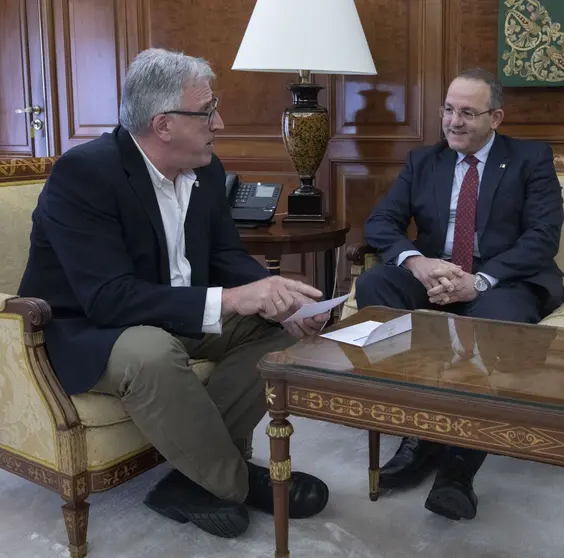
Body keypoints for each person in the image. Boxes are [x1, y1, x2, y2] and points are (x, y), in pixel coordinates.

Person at [18, 48, 331, 539]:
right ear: (163, 124)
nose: (220, 122)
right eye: (208, 111)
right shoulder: (85, 174)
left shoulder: (205, 168)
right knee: (153, 351)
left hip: (174, 315)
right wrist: (230, 300)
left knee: (282, 336)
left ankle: (190, 482)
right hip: (93, 330)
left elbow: (226, 256)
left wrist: (277, 299)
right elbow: (108, 299)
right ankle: (235, 481)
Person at [355, 67, 564, 521]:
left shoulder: (530, 159)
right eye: (449, 110)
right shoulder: (424, 161)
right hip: (436, 273)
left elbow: (543, 237)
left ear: (497, 117)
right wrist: (418, 263)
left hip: (502, 280)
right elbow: (381, 223)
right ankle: (419, 430)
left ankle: (459, 465)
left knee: (501, 322)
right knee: (374, 285)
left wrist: (480, 281)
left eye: (468, 113)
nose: (454, 121)